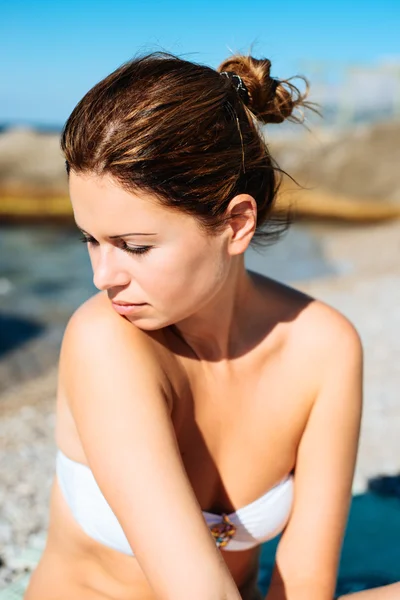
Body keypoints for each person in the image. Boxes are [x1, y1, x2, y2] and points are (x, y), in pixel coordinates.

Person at [24, 51, 399, 600]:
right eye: (90, 239)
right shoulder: (106, 341)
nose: (103, 277)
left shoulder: (323, 349)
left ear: (236, 223)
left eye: (134, 246)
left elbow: (303, 588)